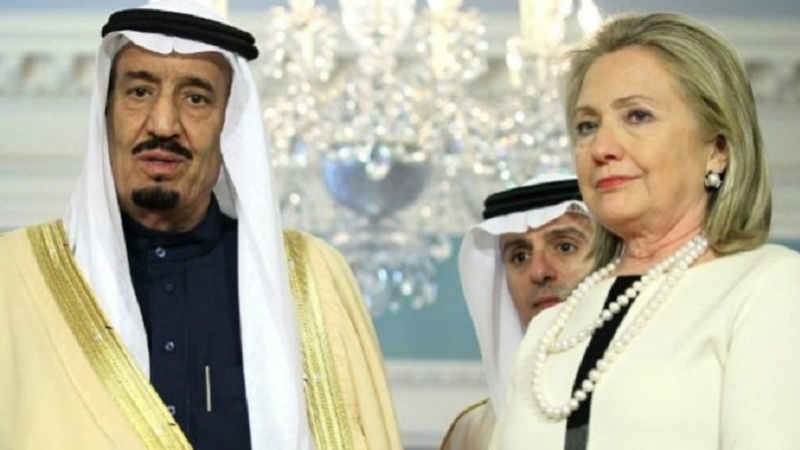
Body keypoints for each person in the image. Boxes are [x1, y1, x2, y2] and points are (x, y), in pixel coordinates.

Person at [0, 1, 402, 449]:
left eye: (195, 98)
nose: (163, 124)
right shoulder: (12, 277)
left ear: (230, 127)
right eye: (139, 92)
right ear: (107, 114)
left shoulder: (313, 279)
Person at [491, 12, 800, 449]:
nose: (601, 148)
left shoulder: (769, 287)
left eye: (637, 116)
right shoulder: (550, 329)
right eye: (587, 125)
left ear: (718, 150)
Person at [440, 174, 595, 450]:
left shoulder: (657, 395)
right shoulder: (472, 434)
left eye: (565, 247)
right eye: (520, 256)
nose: (539, 271)